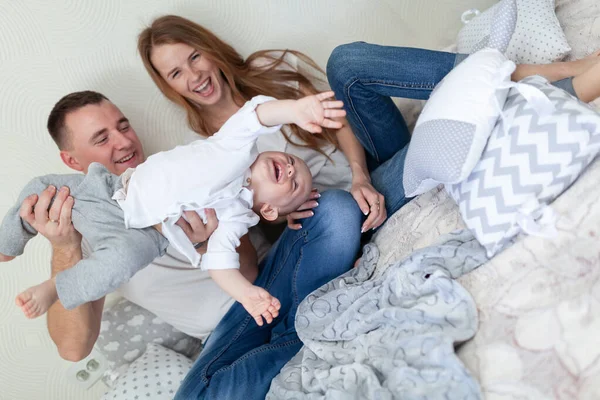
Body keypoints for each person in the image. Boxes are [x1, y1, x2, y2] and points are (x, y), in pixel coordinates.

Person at [135, 15, 600, 400]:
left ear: (210, 49)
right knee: (442, 146)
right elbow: (260, 233)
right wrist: (278, 223)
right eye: (176, 73)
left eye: (193, 57)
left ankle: (531, 72)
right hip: (336, 216)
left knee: (349, 62)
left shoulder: (271, 72)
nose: (193, 75)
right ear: (168, 87)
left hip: (371, 167)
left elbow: (338, 120)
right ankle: (571, 91)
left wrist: (359, 175)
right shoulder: (203, 152)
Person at [1, 92, 345, 325]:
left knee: (120, 262)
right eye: (102, 138)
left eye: (123, 126)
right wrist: (296, 110)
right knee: (39, 186)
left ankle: (55, 288)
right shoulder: (232, 149)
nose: (122, 140)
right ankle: (5, 244)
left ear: (269, 210)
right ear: (72, 158)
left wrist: (247, 294)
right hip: (110, 190)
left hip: (146, 235)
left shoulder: (234, 217)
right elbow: (256, 115)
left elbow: (221, 266)